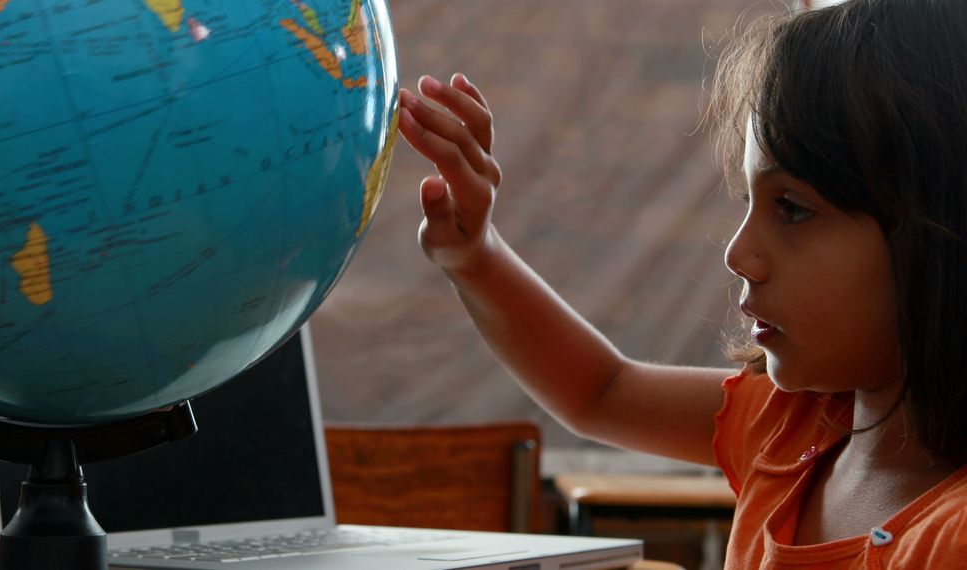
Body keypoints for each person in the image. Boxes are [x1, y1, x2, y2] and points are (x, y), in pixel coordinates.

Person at [394, 0, 967, 567]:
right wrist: (474, 255)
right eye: (748, 203)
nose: (738, 254)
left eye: (791, 209)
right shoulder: (791, 428)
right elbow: (602, 392)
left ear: (939, 231)